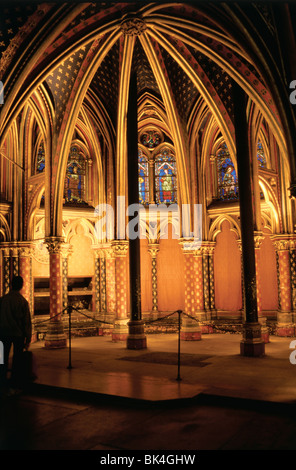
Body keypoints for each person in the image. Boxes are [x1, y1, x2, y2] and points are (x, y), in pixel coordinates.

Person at [0, 275, 32, 394]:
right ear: (21, 286)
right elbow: (26, 321)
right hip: (18, 334)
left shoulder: (3, 300)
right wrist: (28, 338)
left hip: (3, 333)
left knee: (2, 359)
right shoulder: (22, 301)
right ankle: (14, 384)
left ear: (11, 284)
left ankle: (2, 383)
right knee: (17, 361)